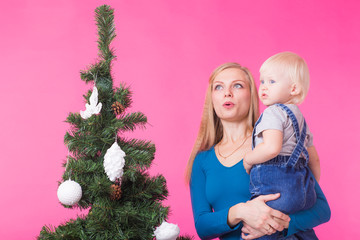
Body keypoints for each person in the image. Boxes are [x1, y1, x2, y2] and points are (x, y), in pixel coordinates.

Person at [185, 62, 330, 240]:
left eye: (237, 85)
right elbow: (202, 226)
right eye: (218, 87)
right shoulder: (202, 160)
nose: (227, 93)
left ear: (252, 95)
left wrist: (279, 226)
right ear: (212, 98)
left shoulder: (272, 144)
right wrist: (240, 212)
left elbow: (322, 209)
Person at [243, 52, 319, 239]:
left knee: (261, 226)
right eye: (262, 82)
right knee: (299, 231)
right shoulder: (301, 119)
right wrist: (310, 186)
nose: (264, 88)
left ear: (293, 88)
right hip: (303, 192)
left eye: (272, 82)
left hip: (277, 189)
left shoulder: (273, 113)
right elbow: (314, 159)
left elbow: (271, 148)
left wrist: (248, 159)